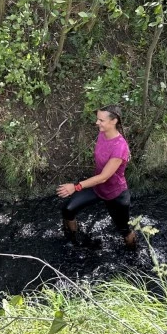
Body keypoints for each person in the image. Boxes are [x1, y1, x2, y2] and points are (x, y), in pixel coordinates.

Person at [57, 105, 136, 249]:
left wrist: (75, 187)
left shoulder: (120, 147)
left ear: (114, 121)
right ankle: (73, 241)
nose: (97, 123)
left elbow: (104, 177)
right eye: (97, 119)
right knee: (68, 209)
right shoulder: (102, 133)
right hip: (97, 188)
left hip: (115, 195)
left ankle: (133, 254)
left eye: (101, 120)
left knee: (124, 230)